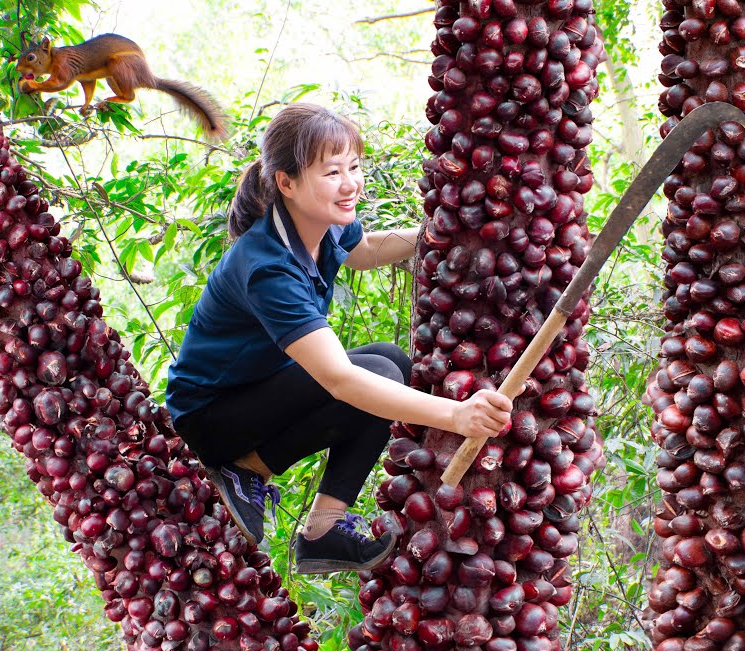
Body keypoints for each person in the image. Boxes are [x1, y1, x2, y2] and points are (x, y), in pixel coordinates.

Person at [165, 103, 512, 574]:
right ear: (286, 183)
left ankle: (324, 531)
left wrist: (437, 234)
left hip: (262, 388)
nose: (350, 184)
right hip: (210, 417)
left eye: (354, 167)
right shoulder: (268, 266)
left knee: (392, 361)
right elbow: (339, 380)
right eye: (332, 172)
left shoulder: (326, 219)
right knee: (373, 377)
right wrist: (456, 415)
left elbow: (364, 252)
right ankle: (244, 470)